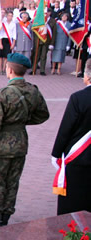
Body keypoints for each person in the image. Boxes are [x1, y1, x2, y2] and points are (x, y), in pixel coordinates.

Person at [0, 53, 49, 229]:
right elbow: (43, 114)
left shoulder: (3, 94)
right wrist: (21, 122)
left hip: (1, 146)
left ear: (9, 69)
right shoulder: (33, 90)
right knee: (12, 181)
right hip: (21, 143)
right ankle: (5, 218)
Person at [51, 60, 91, 215]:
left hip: (78, 160)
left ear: (87, 76)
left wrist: (56, 154)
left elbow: (66, 129)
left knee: (72, 210)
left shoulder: (78, 98)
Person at [0, 10, 17, 75]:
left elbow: (14, 34)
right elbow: (0, 33)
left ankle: (4, 69)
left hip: (9, 41)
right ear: (7, 16)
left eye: (11, 16)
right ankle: (0, 69)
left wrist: (13, 43)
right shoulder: (3, 23)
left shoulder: (13, 24)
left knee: (6, 56)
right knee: (1, 56)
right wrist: (0, 43)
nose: (10, 17)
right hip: (3, 40)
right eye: (9, 15)